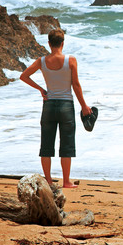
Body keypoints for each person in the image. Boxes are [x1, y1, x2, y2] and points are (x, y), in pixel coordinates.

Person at [20, 29, 92, 188]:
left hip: (49, 105)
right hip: (66, 106)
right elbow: (76, 85)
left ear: (49, 43)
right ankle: (66, 182)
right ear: (63, 43)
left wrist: (41, 89)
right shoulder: (71, 60)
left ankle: (48, 180)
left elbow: (23, 76)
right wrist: (84, 106)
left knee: (46, 144)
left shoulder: (42, 61)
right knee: (66, 144)